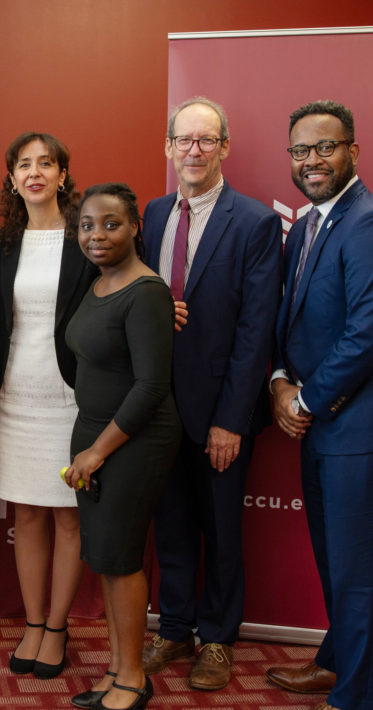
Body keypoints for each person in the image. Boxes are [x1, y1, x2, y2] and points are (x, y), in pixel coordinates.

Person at [266, 100, 373, 710]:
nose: (312, 161)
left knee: (356, 570)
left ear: (353, 151)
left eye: (325, 148)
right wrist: (279, 378)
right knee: (337, 559)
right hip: (325, 420)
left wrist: (303, 399)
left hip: (363, 422)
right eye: (301, 151)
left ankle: (356, 698)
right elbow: (291, 320)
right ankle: (337, 662)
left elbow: (369, 335)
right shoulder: (308, 223)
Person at [140, 97, 283, 690]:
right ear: (168, 147)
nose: (193, 151)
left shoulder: (253, 221)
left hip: (221, 409)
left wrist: (231, 418)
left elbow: (257, 330)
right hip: (158, 407)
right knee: (170, 523)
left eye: (206, 140)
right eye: (183, 140)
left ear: (224, 148)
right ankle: (174, 625)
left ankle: (218, 638)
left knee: (222, 531)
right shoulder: (149, 215)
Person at [64, 183, 182, 710]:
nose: (97, 235)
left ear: (136, 227)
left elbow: (152, 387)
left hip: (133, 439)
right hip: (94, 432)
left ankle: (133, 679)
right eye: (88, 225)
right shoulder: (97, 281)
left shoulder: (148, 290)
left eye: (111, 224)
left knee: (121, 558)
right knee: (106, 559)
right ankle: (116, 668)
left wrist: (97, 451)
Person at [0, 132, 98, 679]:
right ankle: (33, 623)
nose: (35, 172)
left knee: (68, 515)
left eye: (46, 163)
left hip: (72, 398)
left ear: (62, 174)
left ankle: (58, 627)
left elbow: (120, 289)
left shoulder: (87, 233)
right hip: (16, 395)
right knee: (26, 514)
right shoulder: (5, 242)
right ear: (12, 178)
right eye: (24, 165)